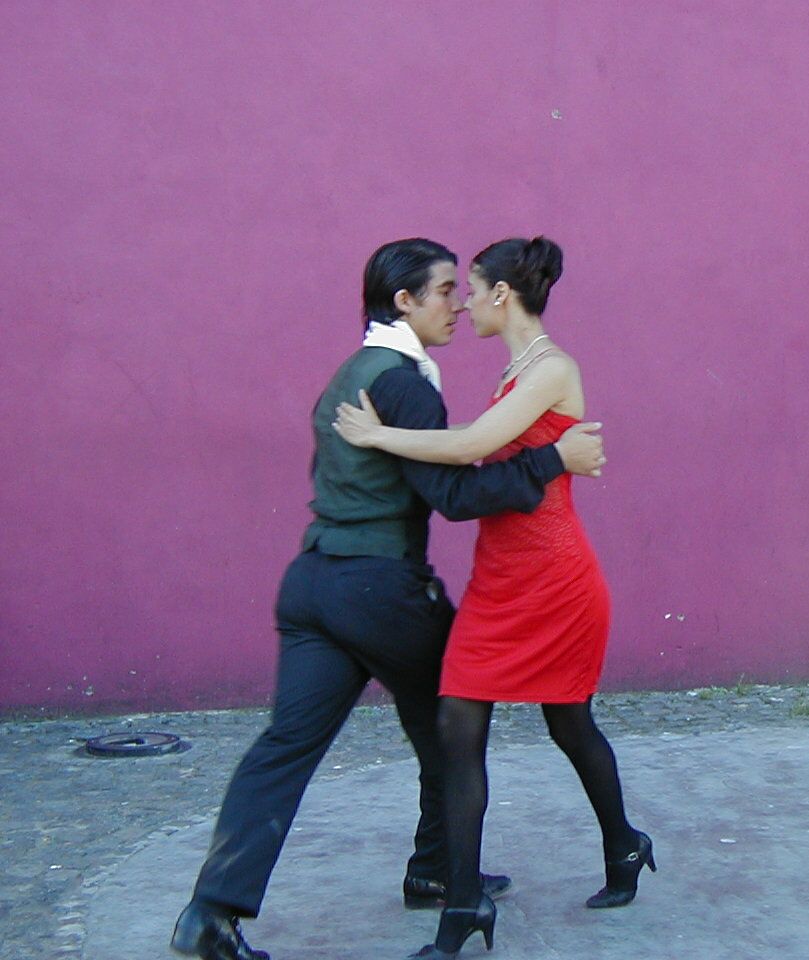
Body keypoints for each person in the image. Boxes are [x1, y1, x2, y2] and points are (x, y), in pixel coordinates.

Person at [170, 238, 606, 960]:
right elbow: (455, 494)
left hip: (311, 584)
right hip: (378, 590)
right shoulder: (404, 382)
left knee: (285, 747)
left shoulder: (349, 372)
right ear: (403, 301)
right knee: (456, 719)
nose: (457, 305)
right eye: (443, 290)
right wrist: (550, 460)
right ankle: (438, 875)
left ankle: (210, 912)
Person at [334, 236, 653, 959]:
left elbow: (470, 444)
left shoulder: (552, 368)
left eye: (471, 289)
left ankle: (624, 844)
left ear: (502, 295)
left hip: (556, 581)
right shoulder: (519, 370)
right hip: (499, 582)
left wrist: (377, 433)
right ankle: (464, 901)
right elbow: (491, 462)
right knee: (459, 725)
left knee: (570, 726)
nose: (463, 302)